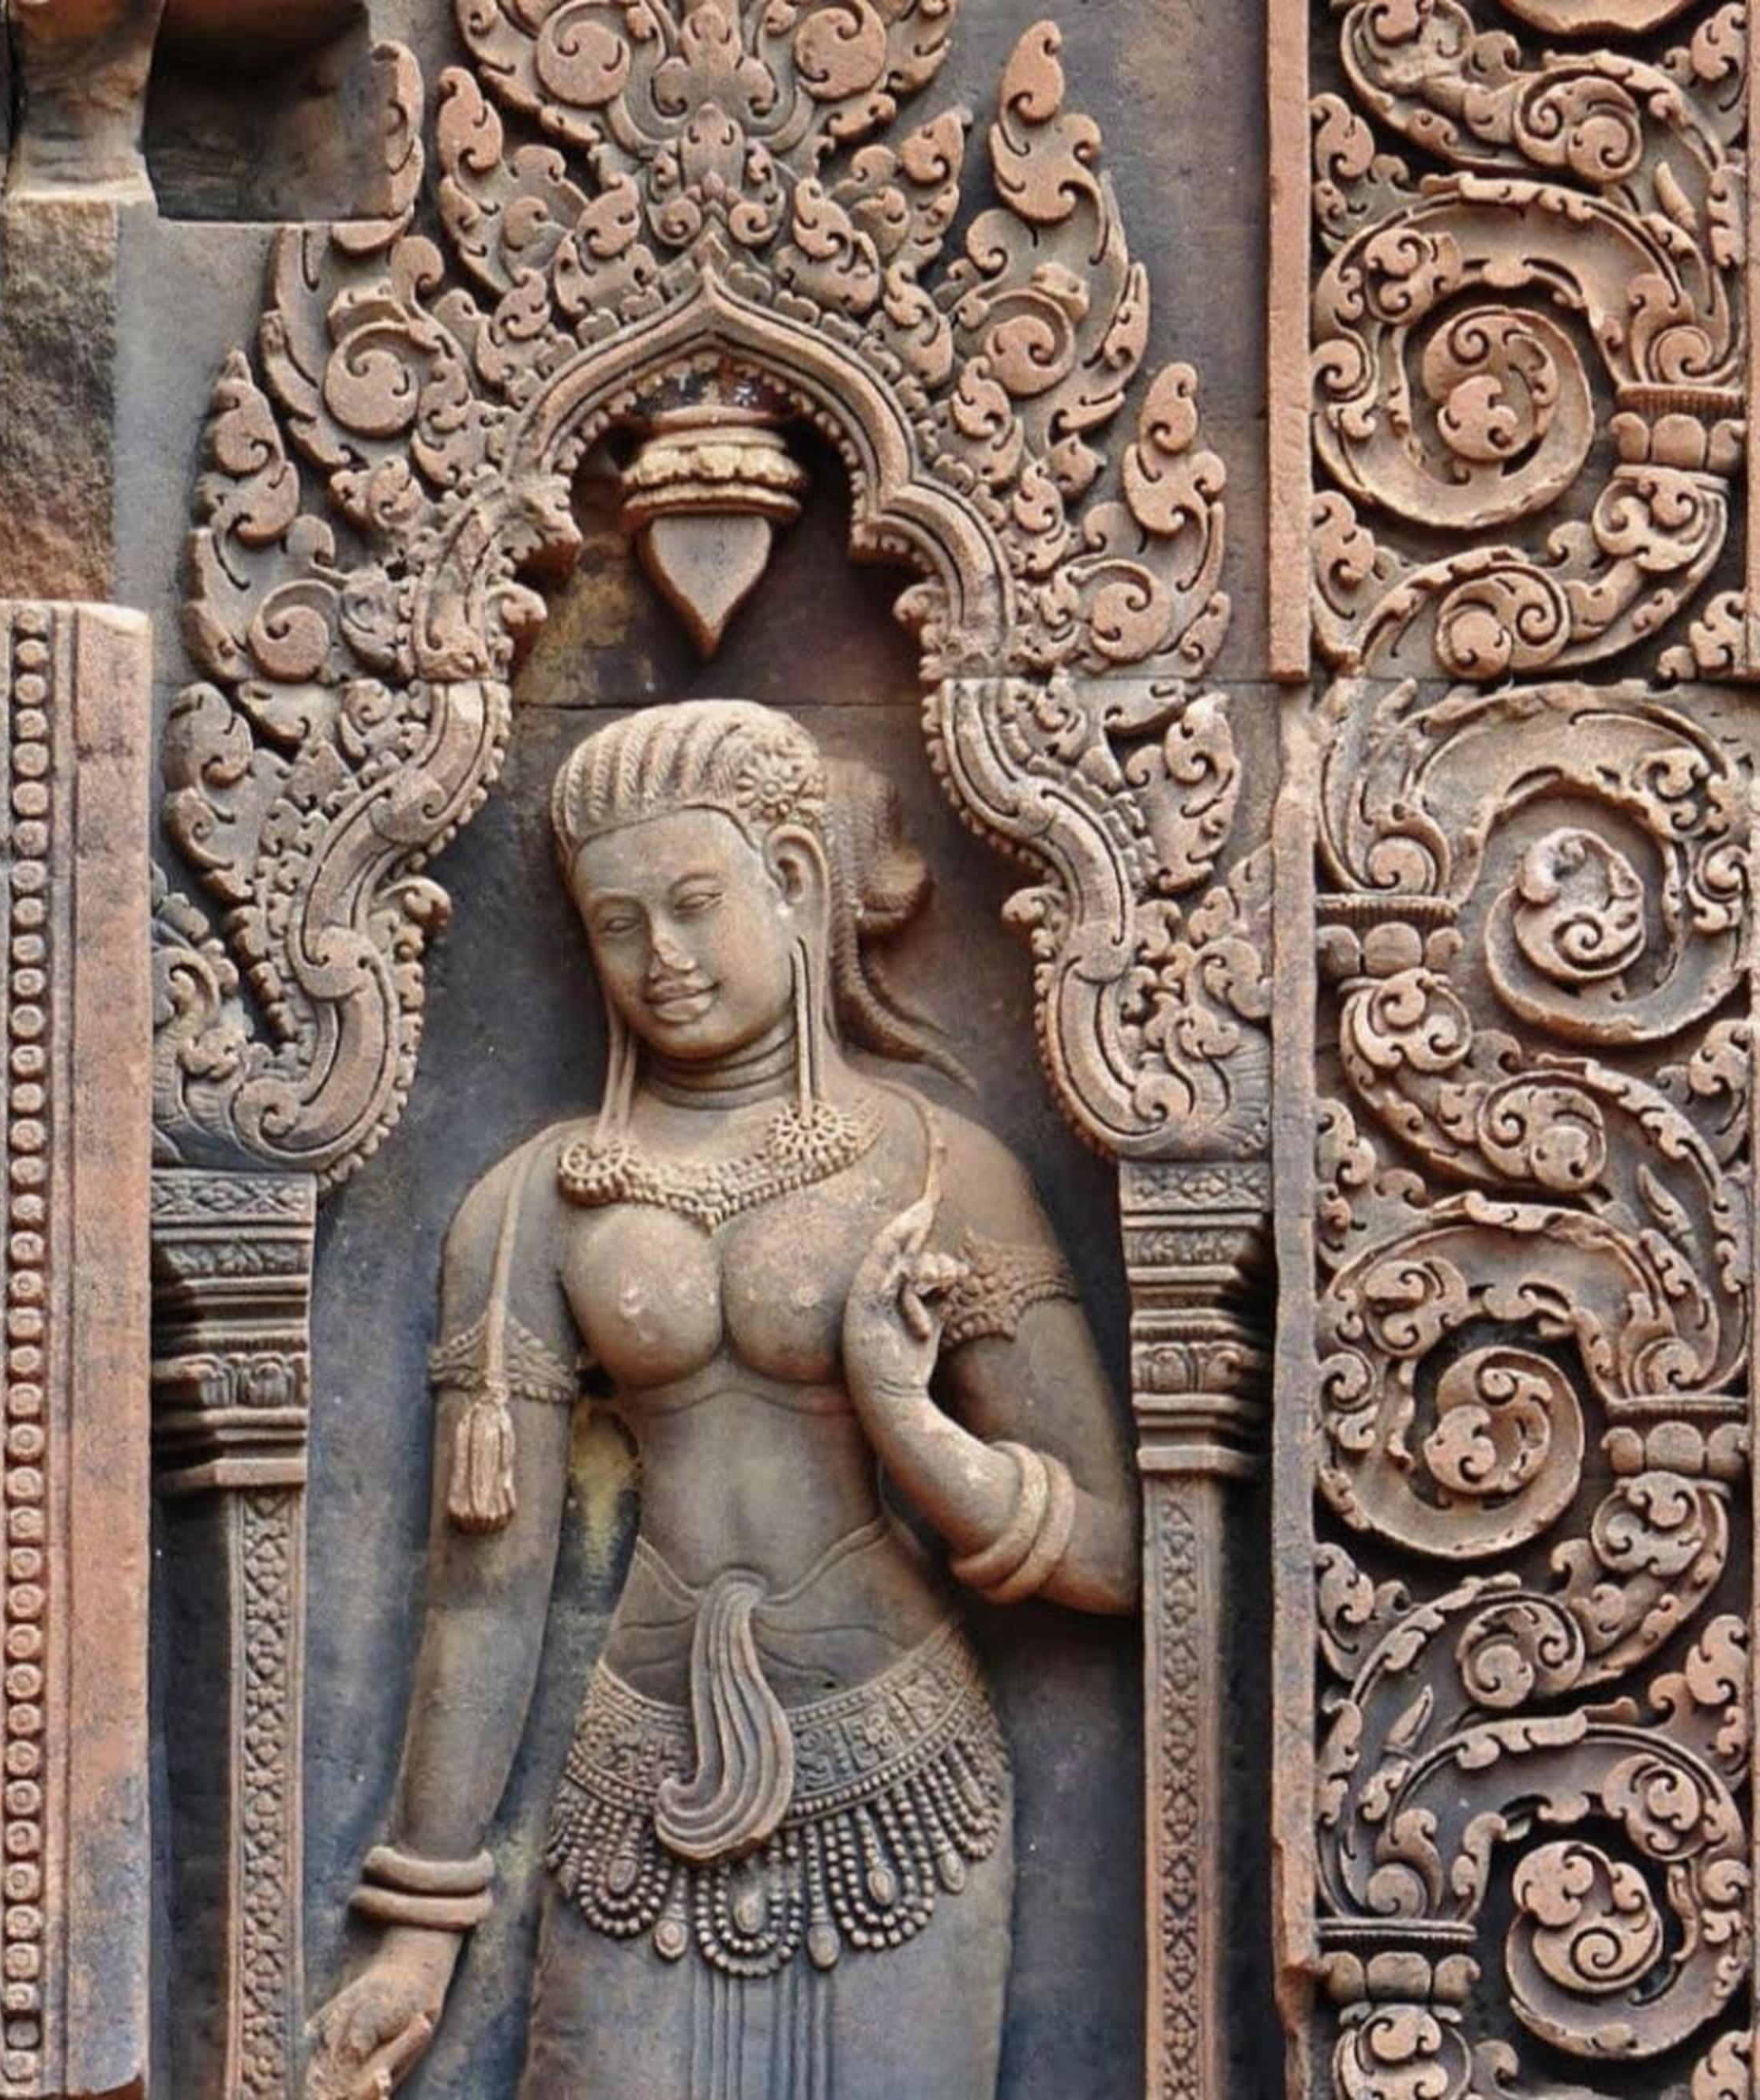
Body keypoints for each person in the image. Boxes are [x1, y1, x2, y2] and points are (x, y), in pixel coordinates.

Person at [308, 699, 1138, 2100]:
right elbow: (485, 1588)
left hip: (900, 1773)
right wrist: (420, 1928)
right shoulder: (530, 1208)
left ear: (796, 881)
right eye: (617, 923)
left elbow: (1120, 1553)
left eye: (694, 904)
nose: (663, 959)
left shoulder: (934, 1164)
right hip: (639, 1779)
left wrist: (910, 1419)